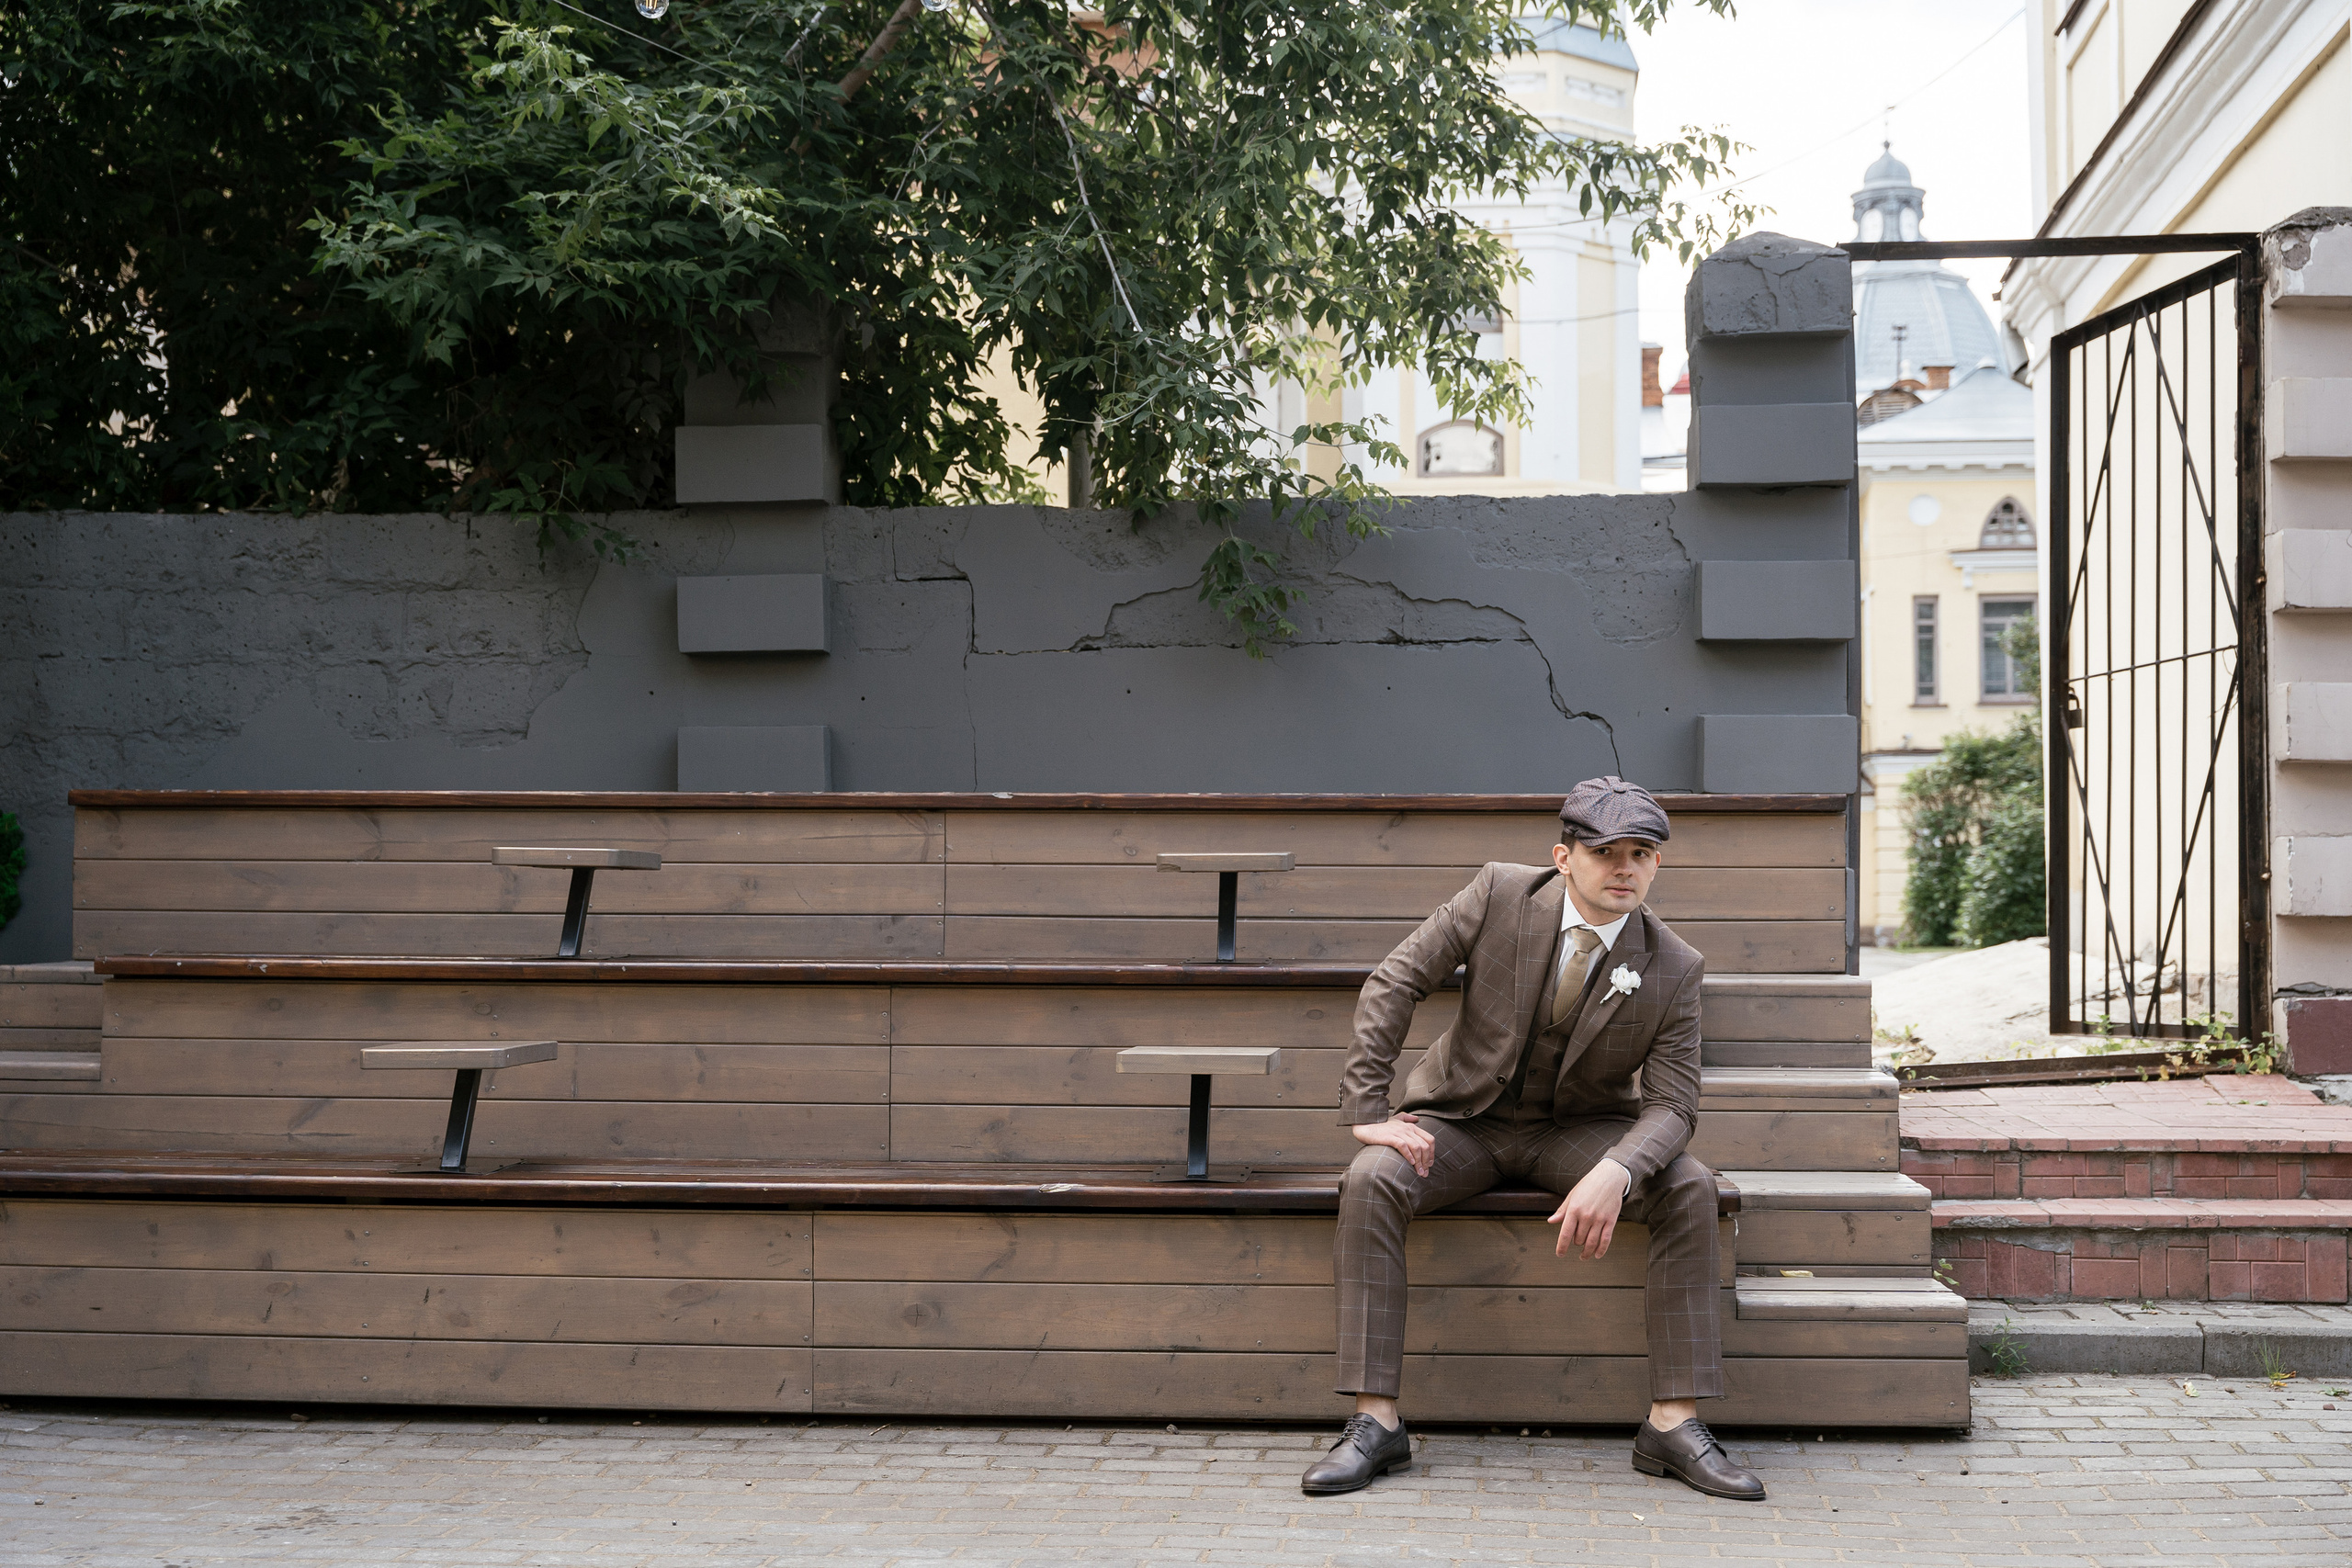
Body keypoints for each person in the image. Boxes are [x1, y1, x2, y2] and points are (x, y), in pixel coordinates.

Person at [1300, 775, 1765, 1501]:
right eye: (1606, 851)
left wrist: (1617, 1168)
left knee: (1687, 1184)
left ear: (1657, 864)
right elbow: (1396, 979)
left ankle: (1672, 1423)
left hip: (1574, 1136)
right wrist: (1368, 1106)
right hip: (1462, 1122)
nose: (1625, 868)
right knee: (1371, 1177)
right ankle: (1375, 1421)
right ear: (1563, 856)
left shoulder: (1674, 964)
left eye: (1641, 853)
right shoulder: (1499, 893)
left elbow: (1675, 1103)